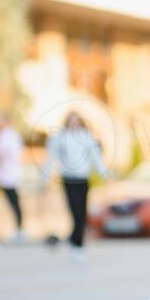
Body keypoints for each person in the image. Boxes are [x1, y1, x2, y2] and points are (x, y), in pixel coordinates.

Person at [43, 112, 105, 261]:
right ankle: (76, 245)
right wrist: (44, 177)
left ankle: (76, 242)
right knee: (74, 211)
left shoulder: (86, 136)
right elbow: (51, 157)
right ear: (67, 122)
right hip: (68, 179)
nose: (74, 123)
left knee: (82, 214)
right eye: (71, 121)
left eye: (76, 121)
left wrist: (104, 173)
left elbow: (95, 156)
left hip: (83, 179)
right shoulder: (60, 138)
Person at [0, 114, 26, 241]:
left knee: (14, 202)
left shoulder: (13, 135)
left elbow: (13, 153)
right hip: (2, 174)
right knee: (10, 202)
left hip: (11, 173)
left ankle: (19, 228)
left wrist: (2, 157)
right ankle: (17, 227)